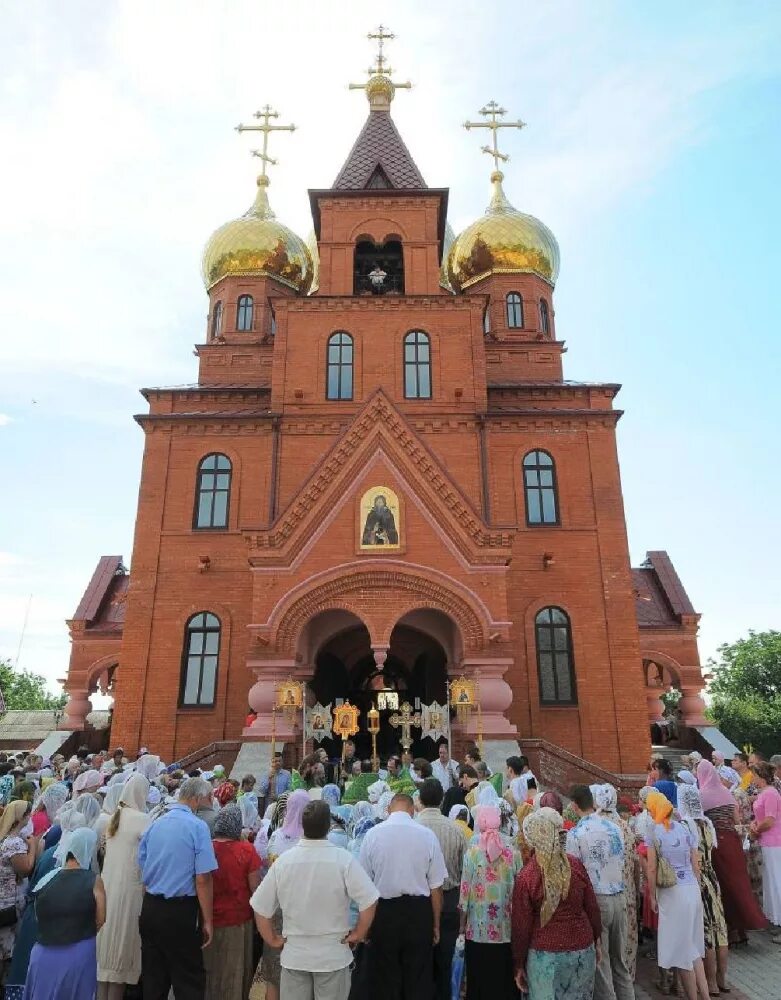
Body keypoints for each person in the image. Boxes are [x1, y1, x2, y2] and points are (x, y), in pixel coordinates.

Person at [253, 800, 378, 1000]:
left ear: (303, 826)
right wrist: (359, 933)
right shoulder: (343, 859)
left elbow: (260, 907)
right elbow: (369, 900)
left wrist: (273, 939)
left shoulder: (285, 861)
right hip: (333, 955)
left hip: (295, 955)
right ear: (328, 826)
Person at [359, 793, 448, 1000]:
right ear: (412, 810)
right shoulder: (426, 835)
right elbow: (436, 888)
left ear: (389, 810)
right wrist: (435, 924)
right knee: (418, 976)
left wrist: (366, 924)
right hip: (418, 914)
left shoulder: (373, 835)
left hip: (384, 914)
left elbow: (364, 887)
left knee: (385, 977)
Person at [137, 776, 218, 999]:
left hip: (152, 906)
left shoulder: (156, 824)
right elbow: (203, 878)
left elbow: (143, 866)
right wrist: (208, 920)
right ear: (197, 798)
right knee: (188, 980)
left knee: (154, 979)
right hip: (180, 910)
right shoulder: (197, 826)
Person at [512, 808, 602, 998]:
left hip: (545, 956)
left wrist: (518, 964)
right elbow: (592, 908)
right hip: (581, 949)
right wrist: (597, 940)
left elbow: (521, 926)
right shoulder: (575, 866)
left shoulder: (527, 876)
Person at [566, 784, 634, 1000]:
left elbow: (574, 874)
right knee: (620, 963)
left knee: (601, 964)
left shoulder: (576, 834)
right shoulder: (613, 828)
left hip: (597, 900)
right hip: (619, 895)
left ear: (575, 806)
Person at [24, 828, 106, 1000]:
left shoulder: (46, 880)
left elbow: (38, 916)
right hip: (78, 954)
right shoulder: (94, 880)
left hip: (42, 955)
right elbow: (101, 919)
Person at [644, 791, 711, 1000]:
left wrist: (653, 896)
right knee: (692, 949)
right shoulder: (684, 828)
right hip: (691, 888)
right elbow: (695, 863)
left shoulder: (653, 832)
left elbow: (652, 868)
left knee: (682, 954)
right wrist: (697, 887)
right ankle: (706, 997)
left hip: (672, 894)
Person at [697, 760, 767, 946]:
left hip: (717, 846)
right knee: (739, 884)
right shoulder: (727, 794)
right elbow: (737, 821)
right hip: (733, 843)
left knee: (724, 887)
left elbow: (701, 823)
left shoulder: (702, 796)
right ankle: (744, 929)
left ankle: (730, 931)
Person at [96, 773, 151, 1000]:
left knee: (105, 961)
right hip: (130, 893)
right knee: (120, 956)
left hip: (109, 890)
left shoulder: (111, 819)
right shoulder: (143, 820)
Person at [458, 804, 521, 999]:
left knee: (479, 980)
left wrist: (461, 926)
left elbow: (465, 894)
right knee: (504, 981)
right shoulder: (513, 853)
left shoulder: (473, 853)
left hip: (477, 929)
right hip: (506, 929)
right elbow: (519, 891)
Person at [202, 803, 261, 1000]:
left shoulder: (206, 848)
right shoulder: (247, 850)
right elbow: (255, 888)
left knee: (210, 970)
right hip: (238, 920)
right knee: (235, 971)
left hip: (208, 919)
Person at [257, 789, 310, 1000]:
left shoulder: (276, 836)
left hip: (277, 907)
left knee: (274, 973)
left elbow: (267, 868)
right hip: (302, 910)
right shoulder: (309, 840)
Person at [677, 784, 730, 994]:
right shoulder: (707, 823)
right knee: (720, 930)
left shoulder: (685, 825)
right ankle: (722, 979)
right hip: (712, 878)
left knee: (705, 932)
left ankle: (711, 983)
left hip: (697, 879)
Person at [416, 779, 466, 1000]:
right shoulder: (456, 830)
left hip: (421, 902)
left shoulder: (413, 828)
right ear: (442, 799)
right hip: (449, 900)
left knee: (420, 964)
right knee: (445, 963)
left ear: (419, 800)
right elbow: (465, 872)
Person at [594, 784, 639, 981]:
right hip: (626, 893)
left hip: (602, 895)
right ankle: (626, 985)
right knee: (624, 948)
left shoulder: (594, 826)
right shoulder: (625, 827)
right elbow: (634, 864)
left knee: (604, 948)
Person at [0, 800, 37, 970]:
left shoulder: (4, 838)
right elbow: (25, 869)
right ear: (20, 817)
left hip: (4, 899)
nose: (30, 817)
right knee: (7, 950)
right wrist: (33, 847)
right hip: (8, 903)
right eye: (27, 814)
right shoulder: (13, 843)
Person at [748, 761, 781, 940]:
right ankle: (775, 919)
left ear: (761, 776)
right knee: (771, 882)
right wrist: (754, 823)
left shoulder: (770, 793)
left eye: (754, 774)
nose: (752, 778)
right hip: (768, 841)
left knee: (777, 882)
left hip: (775, 842)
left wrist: (755, 830)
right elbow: (762, 817)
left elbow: (770, 820)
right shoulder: (766, 792)